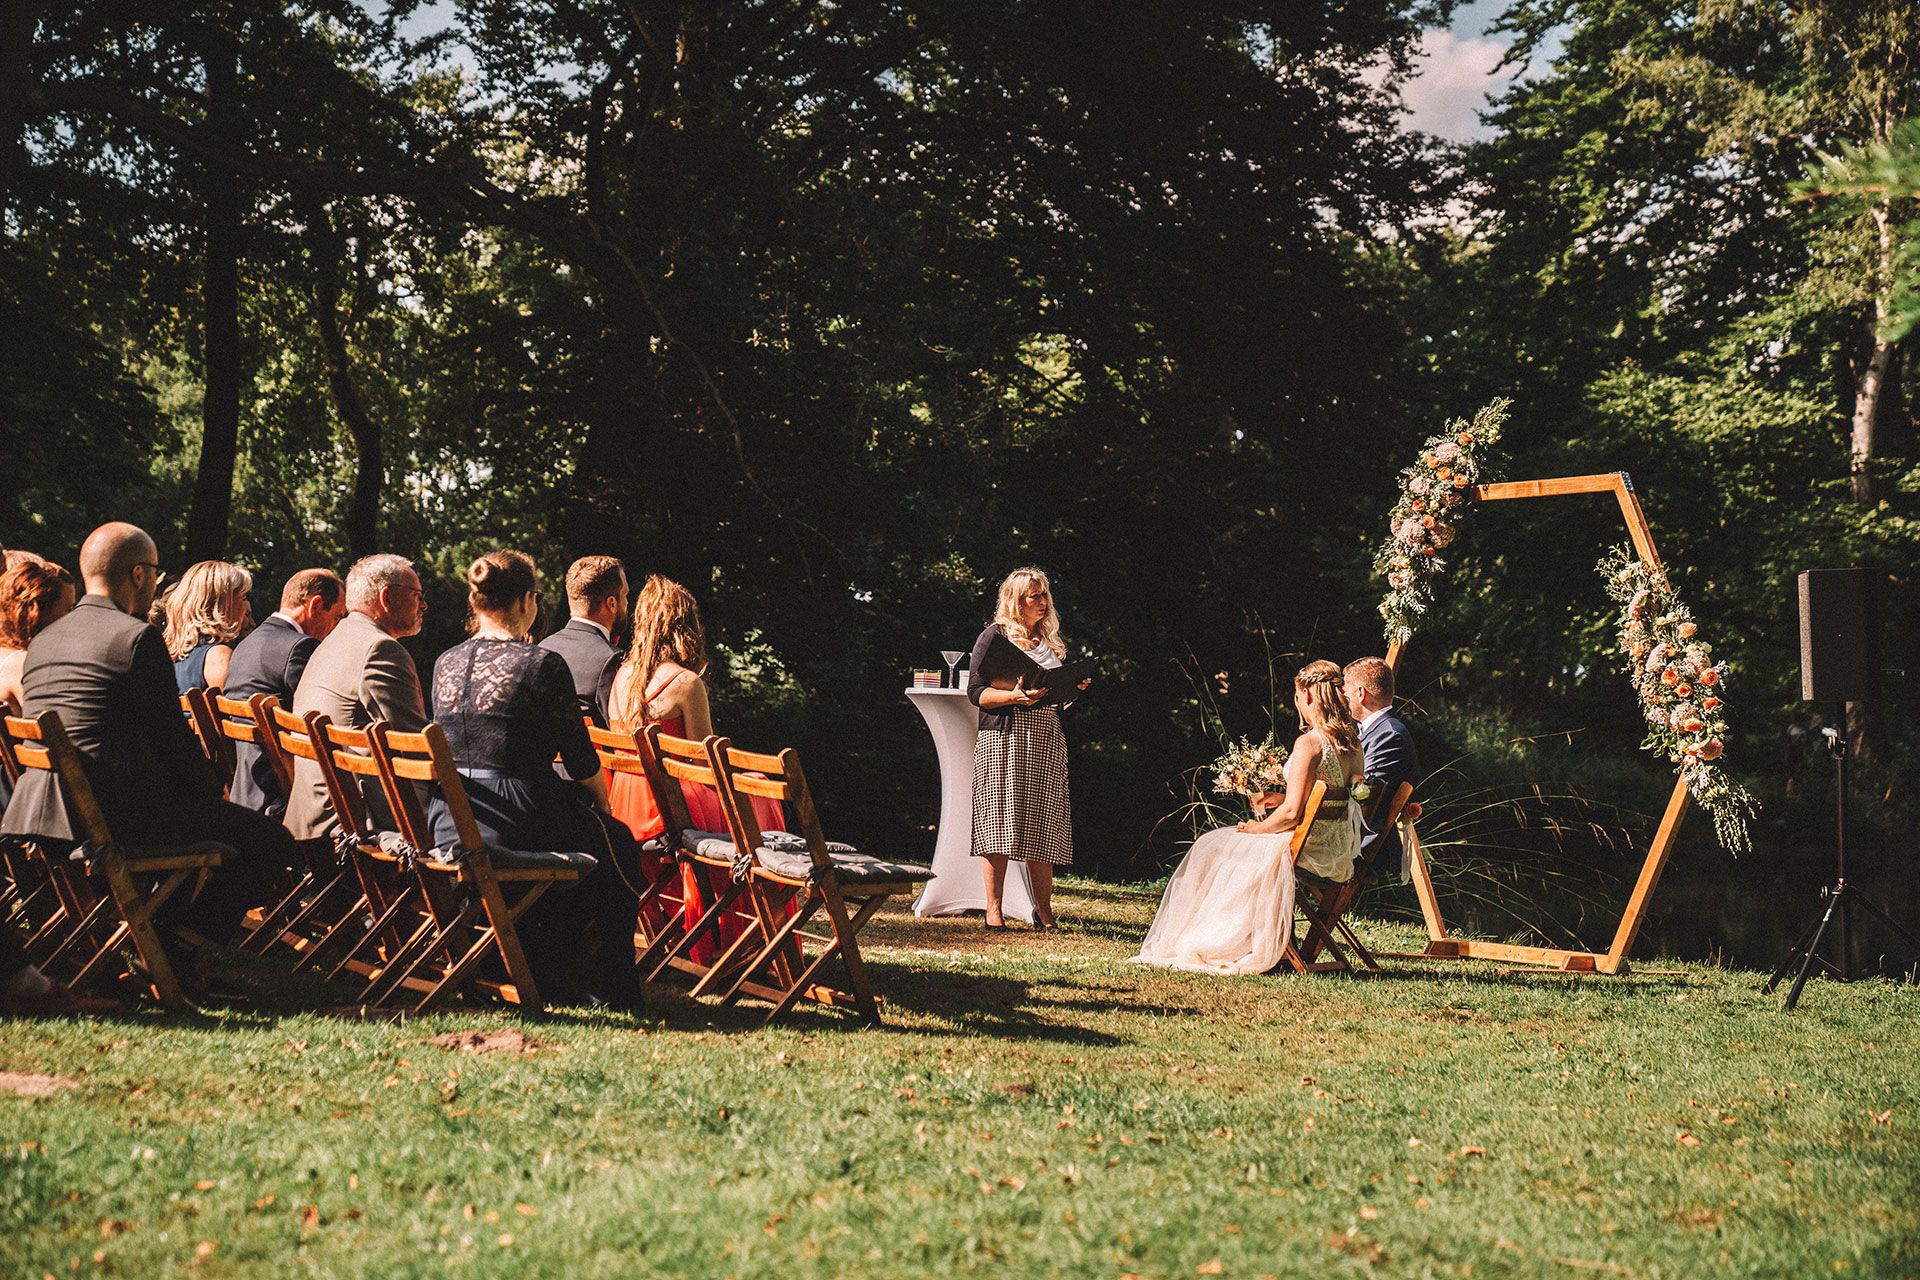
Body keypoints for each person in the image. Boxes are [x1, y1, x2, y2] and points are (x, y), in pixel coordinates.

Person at [0, 522, 298, 939]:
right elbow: (172, 741)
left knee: (221, 828)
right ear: (138, 575)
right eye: (155, 573)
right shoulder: (135, 638)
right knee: (271, 842)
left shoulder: (46, 639)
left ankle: (161, 935)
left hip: (44, 811)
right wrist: (217, 790)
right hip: (114, 818)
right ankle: (180, 940)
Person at [430, 550, 643, 1009]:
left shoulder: (444, 661)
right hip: (516, 816)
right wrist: (601, 804)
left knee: (595, 842)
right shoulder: (540, 664)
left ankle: (543, 966)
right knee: (618, 844)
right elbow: (582, 762)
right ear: (528, 600)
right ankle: (610, 988)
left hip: (451, 816)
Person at [1131, 660, 1366, 975]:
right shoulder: (1352, 745)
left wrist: (1258, 828)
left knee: (1210, 844)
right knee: (1222, 844)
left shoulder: (1310, 743)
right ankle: (1260, 939)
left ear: (1308, 696)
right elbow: (1327, 800)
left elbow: (1292, 815)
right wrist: (1280, 799)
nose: (1297, 703)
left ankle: (1224, 940)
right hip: (1336, 853)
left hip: (1307, 849)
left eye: (1297, 697)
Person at [606, 575, 785, 955]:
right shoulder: (685, 684)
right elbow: (706, 761)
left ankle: (709, 930)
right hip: (666, 808)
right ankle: (746, 935)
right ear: (684, 626)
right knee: (757, 797)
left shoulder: (621, 677)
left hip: (626, 802)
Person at [966, 566, 1081, 931]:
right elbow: (976, 692)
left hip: (1046, 736)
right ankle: (994, 910)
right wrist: (1013, 696)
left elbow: (1055, 694)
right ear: (1017, 600)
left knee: (1044, 821)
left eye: (1045, 594)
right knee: (998, 821)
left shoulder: (1050, 643)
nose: (1043, 602)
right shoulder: (995, 637)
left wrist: (1072, 689)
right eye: (1035, 595)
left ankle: (1043, 910)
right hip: (1005, 737)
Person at [284, 554, 429, 840]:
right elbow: (415, 750)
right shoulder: (381, 648)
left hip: (312, 819)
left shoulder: (331, 642)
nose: (423, 605)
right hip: (359, 826)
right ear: (386, 597)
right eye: (417, 596)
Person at [222, 569, 347, 814]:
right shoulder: (300, 647)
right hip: (284, 797)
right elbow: (327, 720)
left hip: (246, 790)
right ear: (316, 605)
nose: (335, 627)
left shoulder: (244, 645)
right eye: (337, 617)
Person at [1342, 656, 1420, 875]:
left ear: (1360, 693)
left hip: (1362, 845)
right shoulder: (1376, 731)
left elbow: (1364, 797)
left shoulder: (1389, 735)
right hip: (1351, 834)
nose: (1344, 700)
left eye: (1346, 694)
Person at [538, 555, 629, 724]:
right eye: (625, 595)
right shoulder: (612, 659)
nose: (627, 603)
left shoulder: (543, 648)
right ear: (612, 603)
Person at [0, 555, 76, 718]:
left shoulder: (5, 654)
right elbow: (63, 726)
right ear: (37, 612)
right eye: (69, 609)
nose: (74, 619)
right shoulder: (26, 666)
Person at [164, 560, 254, 694]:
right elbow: (240, 712)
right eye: (242, 597)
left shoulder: (170, 655)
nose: (244, 606)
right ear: (224, 605)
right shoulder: (218, 657)